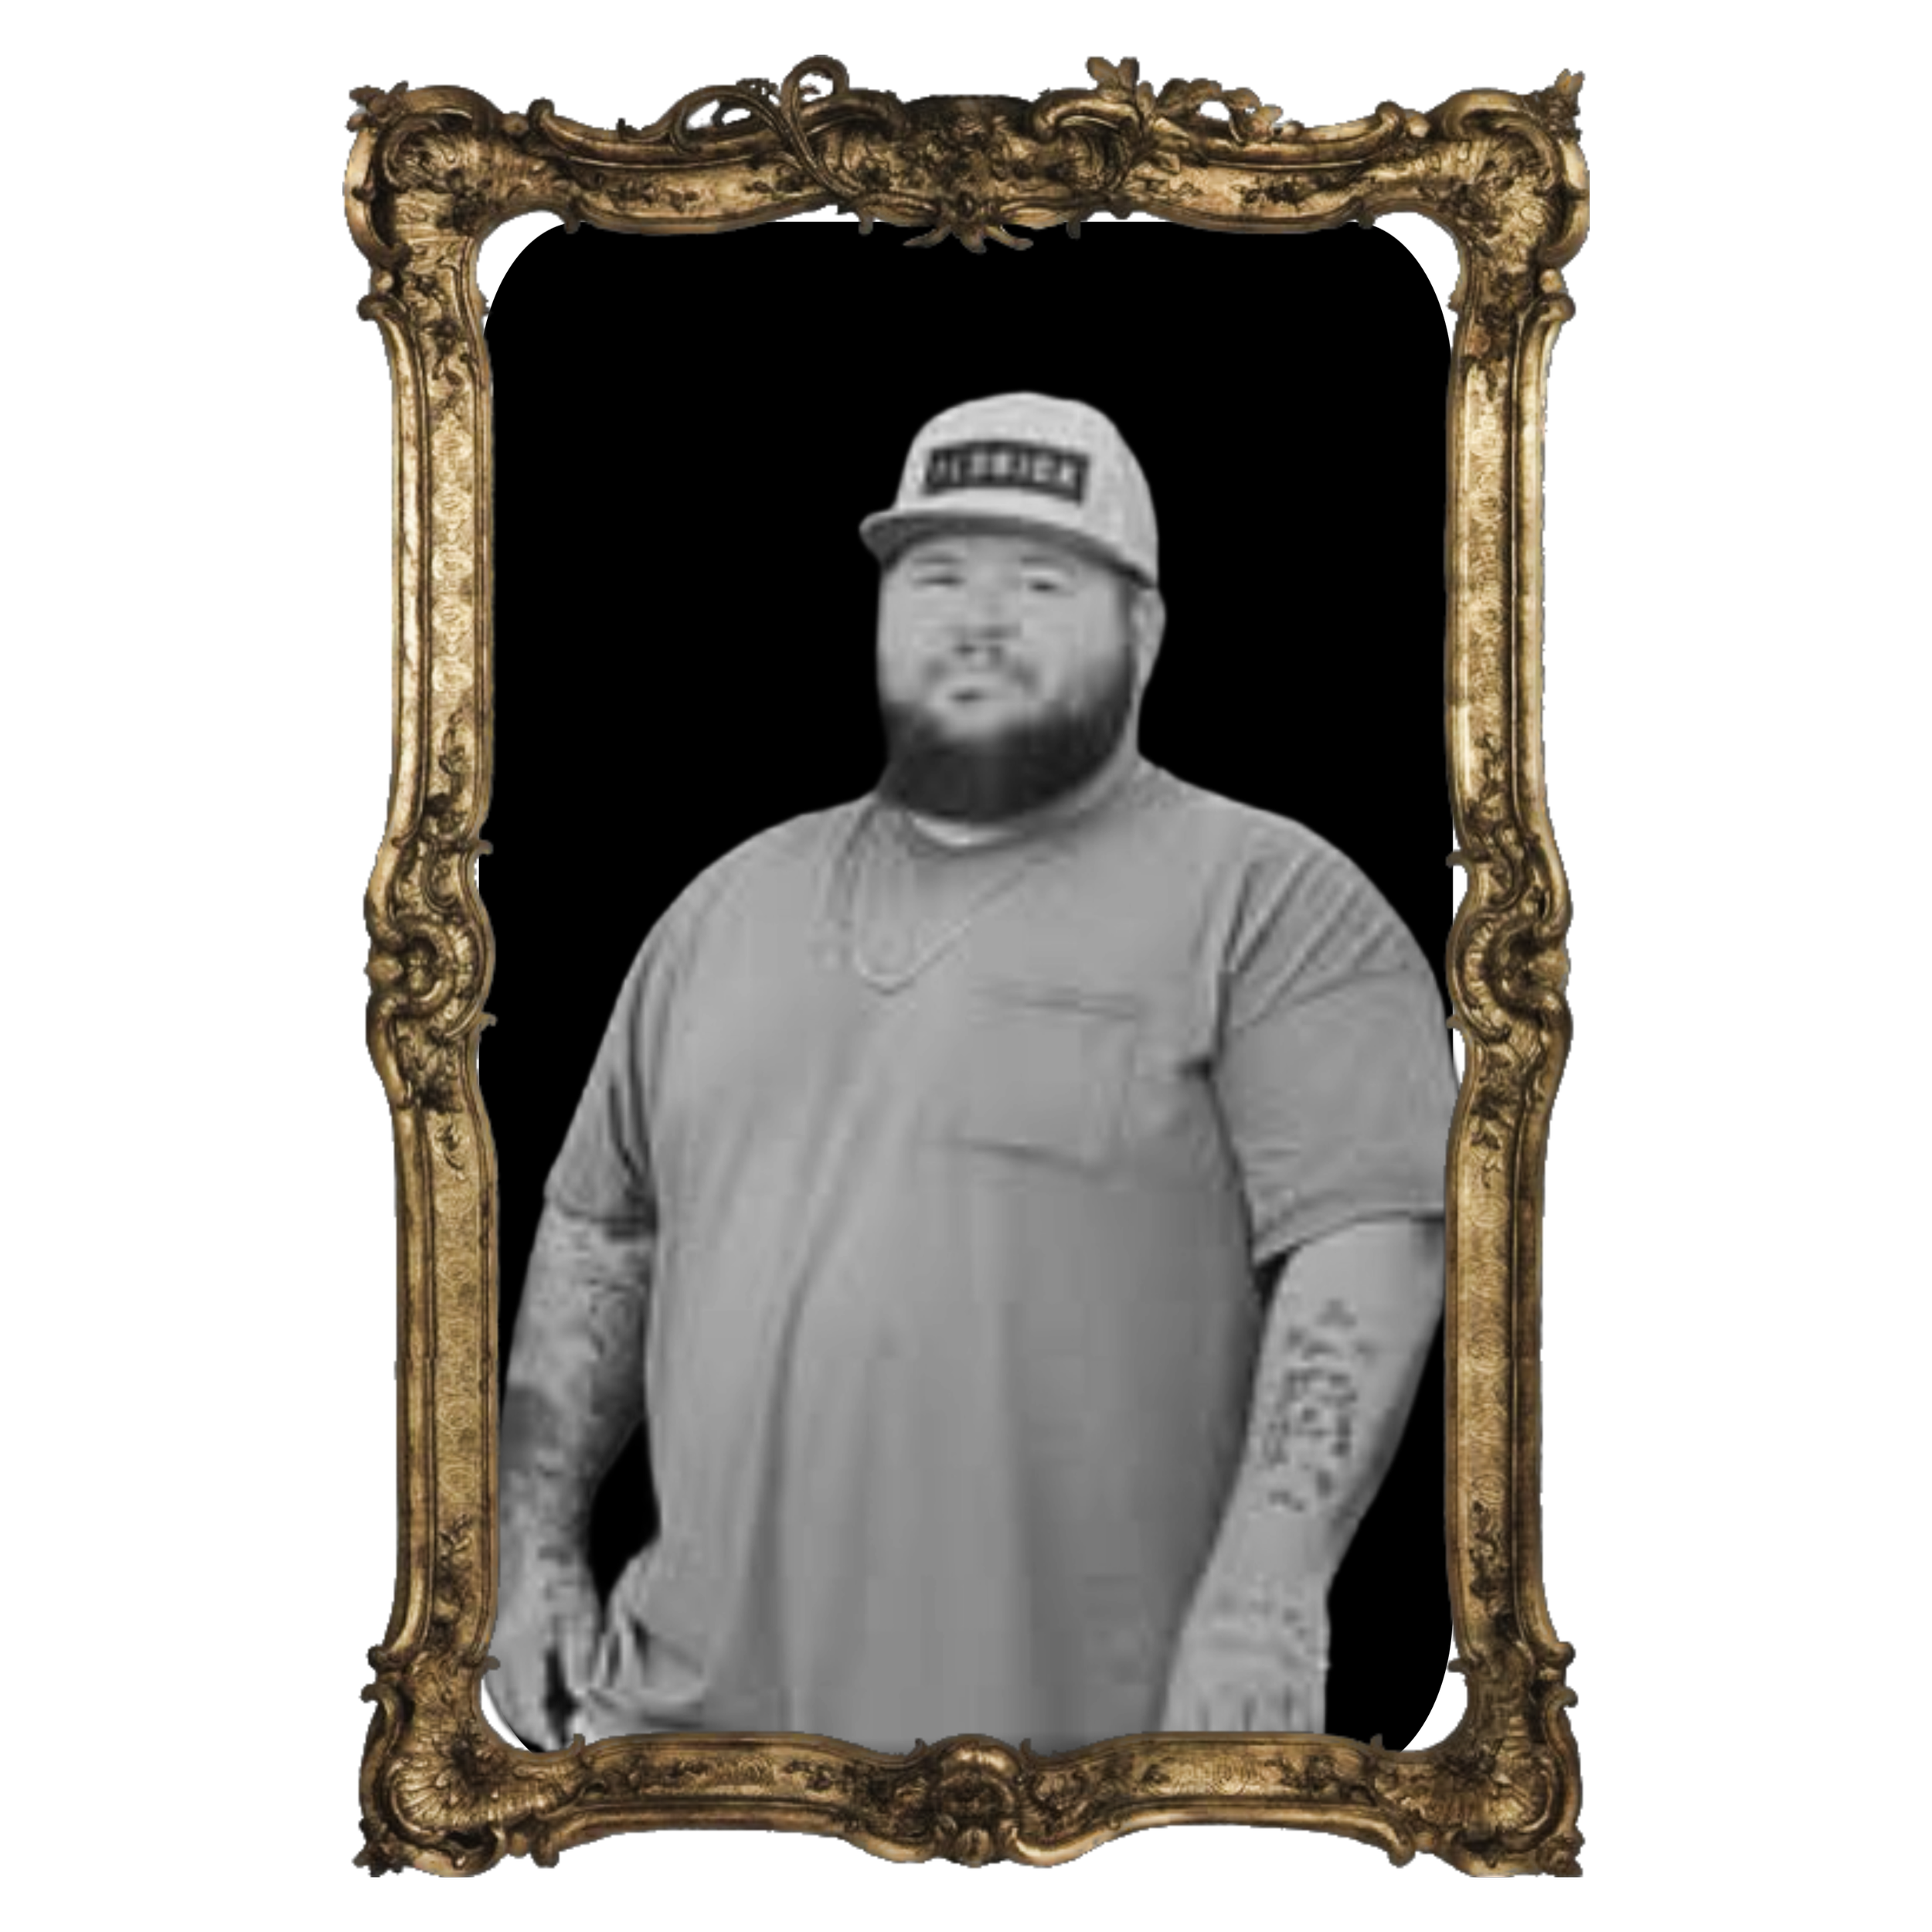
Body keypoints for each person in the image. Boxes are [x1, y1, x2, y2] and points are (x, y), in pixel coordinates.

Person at [488, 393, 1457, 1757]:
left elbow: (1373, 1243)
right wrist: (531, 1551)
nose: (979, 618)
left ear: (1146, 631)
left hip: (1077, 1766)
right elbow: (603, 1231)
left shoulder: (1276, 902)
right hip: (683, 1740)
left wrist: (1268, 1599)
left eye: (1042, 582)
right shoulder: (722, 908)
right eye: (937, 575)